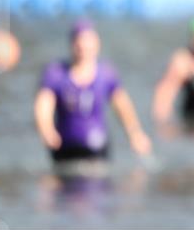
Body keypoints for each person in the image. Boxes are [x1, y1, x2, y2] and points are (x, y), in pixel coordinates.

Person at [34, 19, 152, 197]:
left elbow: (122, 105)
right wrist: (46, 130)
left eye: (88, 44)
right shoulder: (56, 73)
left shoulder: (106, 73)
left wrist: (135, 133)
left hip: (98, 153)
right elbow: (44, 103)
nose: (83, 49)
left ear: (97, 45)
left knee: (97, 196)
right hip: (64, 152)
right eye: (79, 44)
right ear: (72, 45)